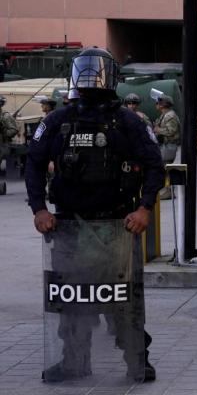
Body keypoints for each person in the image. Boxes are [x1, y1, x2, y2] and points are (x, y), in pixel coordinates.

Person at [26, 47, 164, 383]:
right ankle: (74, 362)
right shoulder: (58, 120)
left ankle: (137, 360)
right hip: (69, 225)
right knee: (72, 297)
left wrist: (144, 207)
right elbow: (32, 163)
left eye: (97, 72)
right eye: (85, 72)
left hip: (116, 224)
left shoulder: (128, 122)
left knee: (124, 299)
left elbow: (154, 166)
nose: (91, 79)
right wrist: (39, 208)